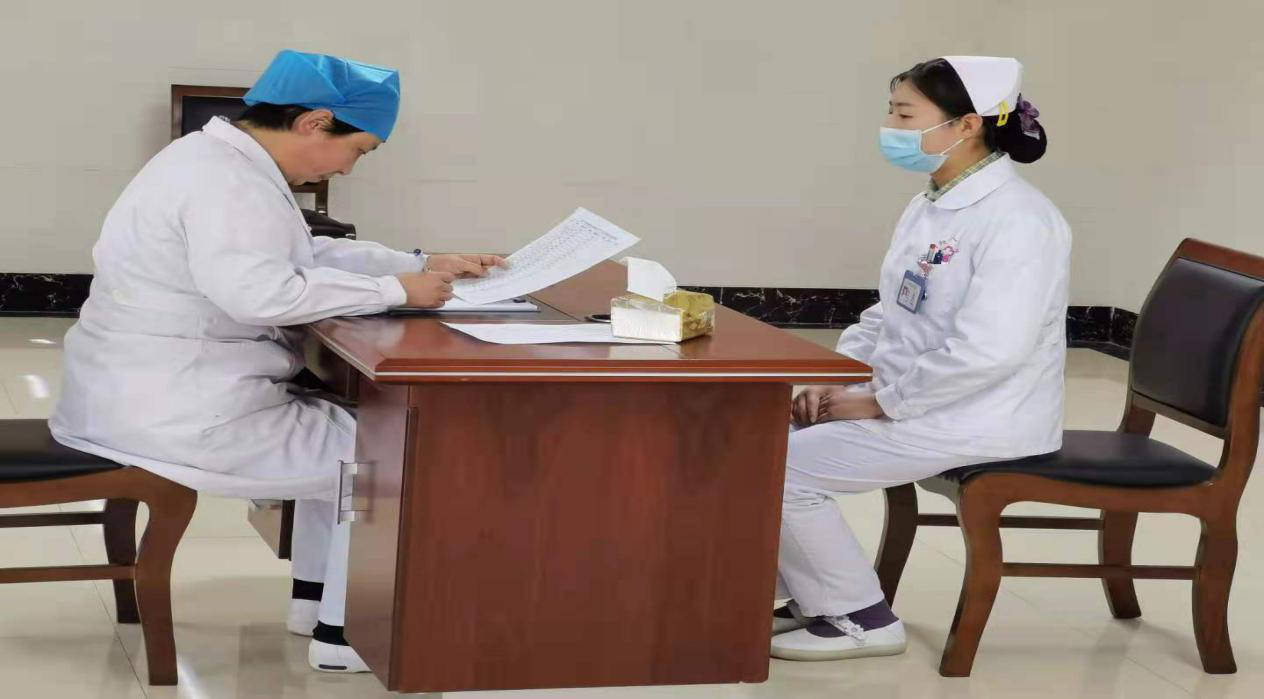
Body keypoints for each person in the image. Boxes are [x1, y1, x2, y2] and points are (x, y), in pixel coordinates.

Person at [49, 49, 506, 673]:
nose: (348, 168)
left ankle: (315, 605)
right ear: (315, 123)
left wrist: (420, 263)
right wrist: (396, 290)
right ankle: (346, 637)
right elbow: (260, 293)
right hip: (180, 413)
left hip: (141, 393)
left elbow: (299, 253)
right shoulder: (226, 181)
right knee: (393, 451)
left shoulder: (214, 161)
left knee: (357, 436)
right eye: (358, 150)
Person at [770, 56, 1071, 661]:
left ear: (966, 125)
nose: (891, 127)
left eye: (905, 115)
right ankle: (812, 596)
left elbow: (991, 351)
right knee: (757, 440)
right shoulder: (933, 202)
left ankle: (864, 617)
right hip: (920, 397)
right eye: (891, 112)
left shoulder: (1020, 221)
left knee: (780, 471)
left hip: (981, 415)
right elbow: (891, 311)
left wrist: (879, 402)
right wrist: (841, 380)